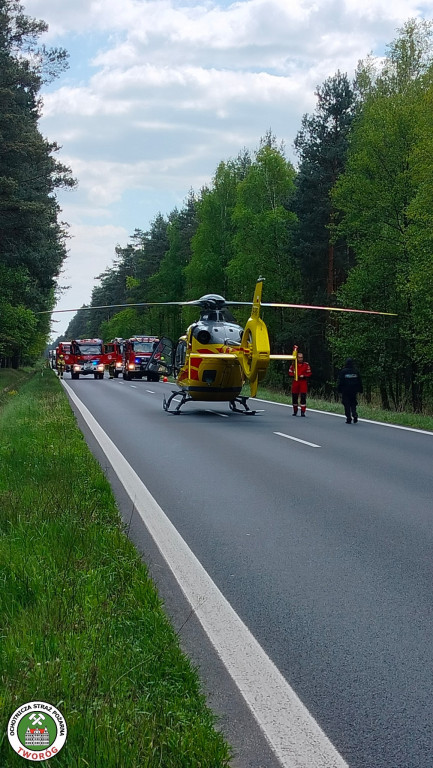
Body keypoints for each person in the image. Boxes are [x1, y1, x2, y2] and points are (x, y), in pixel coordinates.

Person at [337, 358, 363, 424]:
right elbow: (359, 381)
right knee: (353, 403)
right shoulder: (356, 371)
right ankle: (354, 413)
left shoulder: (343, 372)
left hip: (345, 390)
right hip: (354, 390)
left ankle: (348, 418)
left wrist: (339, 390)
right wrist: (360, 389)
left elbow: (340, 381)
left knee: (346, 403)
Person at [289, 352, 312, 416]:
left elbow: (309, 373)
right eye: (299, 357)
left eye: (301, 357)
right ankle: (295, 411)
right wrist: (295, 375)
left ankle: (303, 411)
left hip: (303, 382)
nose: (300, 359)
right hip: (296, 382)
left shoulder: (306, 365)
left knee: (303, 397)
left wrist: (304, 376)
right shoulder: (293, 365)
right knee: (294, 397)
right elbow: (290, 373)